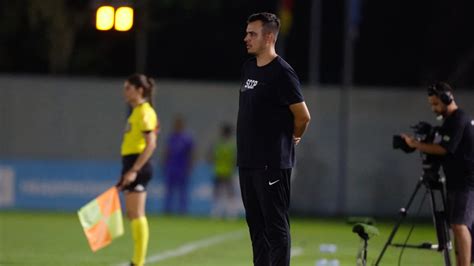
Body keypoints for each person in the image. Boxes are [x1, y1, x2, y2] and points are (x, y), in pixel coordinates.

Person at [237, 12, 311, 266]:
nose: (246, 38)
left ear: (269, 37)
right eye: (247, 33)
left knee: (276, 228)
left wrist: (294, 137)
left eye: (252, 33)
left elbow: (303, 116)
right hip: (247, 162)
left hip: (272, 164)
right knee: (256, 228)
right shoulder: (248, 68)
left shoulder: (282, 72)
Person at [402, 82, 474, 266]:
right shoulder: (449, 122)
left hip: (466, 183)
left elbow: (444, 149)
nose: (433, 108)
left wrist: (415, 144)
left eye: (435, 104)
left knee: (459, 225)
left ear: (447, 98)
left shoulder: (459, 118)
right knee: (457, 226)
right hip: (456, 181)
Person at [116, 74, 159, 266]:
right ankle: (137, 260)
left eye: (128, 88)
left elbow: (151, 144)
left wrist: (134, 170)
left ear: (139, 90)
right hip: (131, 164)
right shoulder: (135, 112)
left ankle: (138, 262)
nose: (125, 91)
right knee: (132, 214)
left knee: (137, 213)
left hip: (138, 165)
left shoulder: (144, 112)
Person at [163, 115, 194, 214]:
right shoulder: (171, 137)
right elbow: (167, 152)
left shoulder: (187, 138)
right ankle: (168, 210)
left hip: (182, 167)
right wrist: (164, 163)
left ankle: (182, 210)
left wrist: (190, 166)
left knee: (182, 191)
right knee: (169, 191)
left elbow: (192, 153)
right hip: (171, 167)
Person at [210, 123, 237, 219]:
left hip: (220, 171)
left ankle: (217, 214)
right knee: (229, 194)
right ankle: (231, 214)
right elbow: (234, 159)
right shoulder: (232, 145)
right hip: (227, 172)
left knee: (219, 194)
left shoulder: (218, 144)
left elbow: (212, 156)